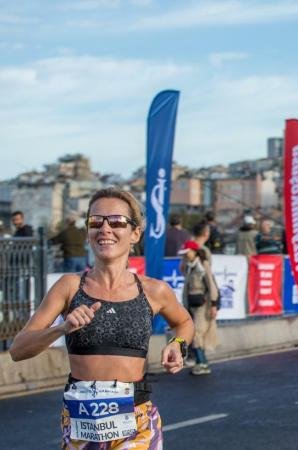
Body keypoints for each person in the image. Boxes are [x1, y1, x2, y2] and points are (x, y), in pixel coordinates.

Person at [9, 187, 193, 447]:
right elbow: (18, 349)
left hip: (137, 420)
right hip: (80, 422)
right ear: (88, 232)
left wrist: (177, 345)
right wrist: (62, 328)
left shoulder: (153, 290)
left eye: (117, 221)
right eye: (96, 222)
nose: (105, 229)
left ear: (135, 234)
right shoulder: (69, 286)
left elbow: (184, 322)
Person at [180, 222, 220, 376]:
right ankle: (200, 361)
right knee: (196, 334)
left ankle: (202, 363)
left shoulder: (202, 266)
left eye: (186, 252)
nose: (184, 255)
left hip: (203, 304)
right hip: (191, 303)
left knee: (196, 333)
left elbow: (212, 286)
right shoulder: (190, 266)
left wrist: (214, 305)